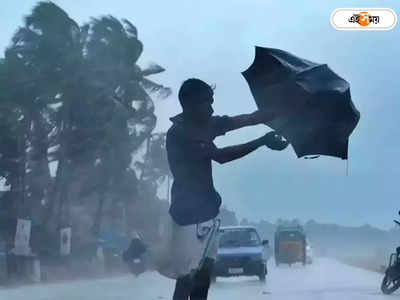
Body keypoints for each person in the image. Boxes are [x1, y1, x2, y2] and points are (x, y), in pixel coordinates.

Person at [123, 78, 288, 300]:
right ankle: (141, 250)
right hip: (187, 215)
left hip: (208, 212)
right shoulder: (180, 135)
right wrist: (261, 141)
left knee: (203, 278)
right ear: (191, 105)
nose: (212, 108)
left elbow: (239, 120)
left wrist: (269, 115)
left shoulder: (204, 123)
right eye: (207, 103)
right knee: (186, 278)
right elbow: (221, 156)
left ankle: (143, 250)